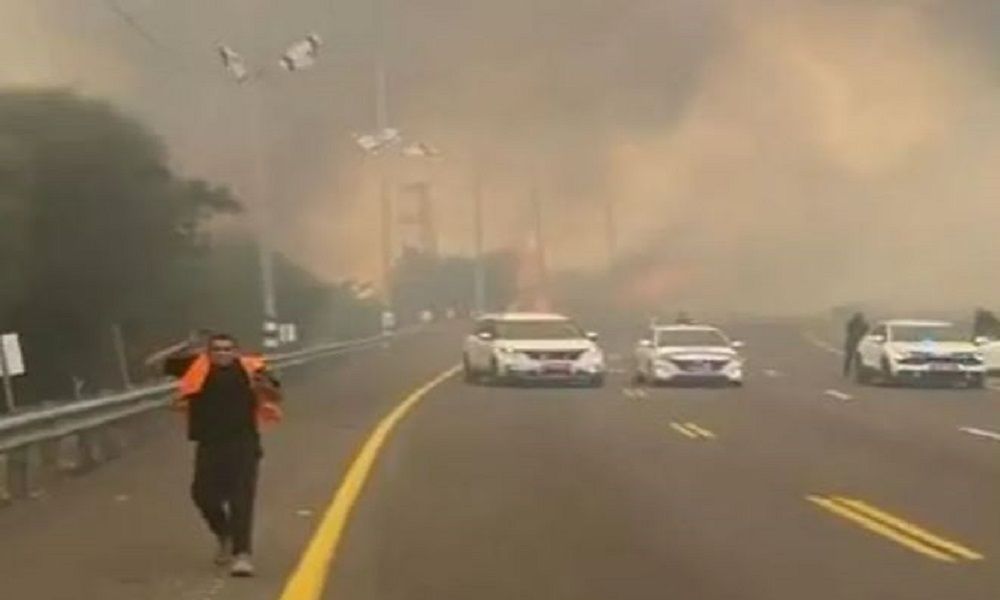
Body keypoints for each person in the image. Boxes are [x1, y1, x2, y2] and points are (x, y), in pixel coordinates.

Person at [146, 332, 281, 577]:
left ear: (236, 351)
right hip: (209, 444)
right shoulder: (195, 366)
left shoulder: (253, 369)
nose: (222, 353)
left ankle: (242, 555)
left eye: (227, 349)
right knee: (202, 495)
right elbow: (153, 363)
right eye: (217, 349)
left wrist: (264, 387)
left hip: (243, 443)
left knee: (241, 499)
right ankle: (224, 533)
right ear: (208, 352)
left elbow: (276, 395)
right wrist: (184, 345)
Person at [843, 312, 869, 377]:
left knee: (853, 358)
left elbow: (849, 331)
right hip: (854, 342)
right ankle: (848, 371)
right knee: (852, 358)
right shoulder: (854, 323)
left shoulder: (860, 324)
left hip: (856, 342)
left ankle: (850, 372)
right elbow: (849, 331)